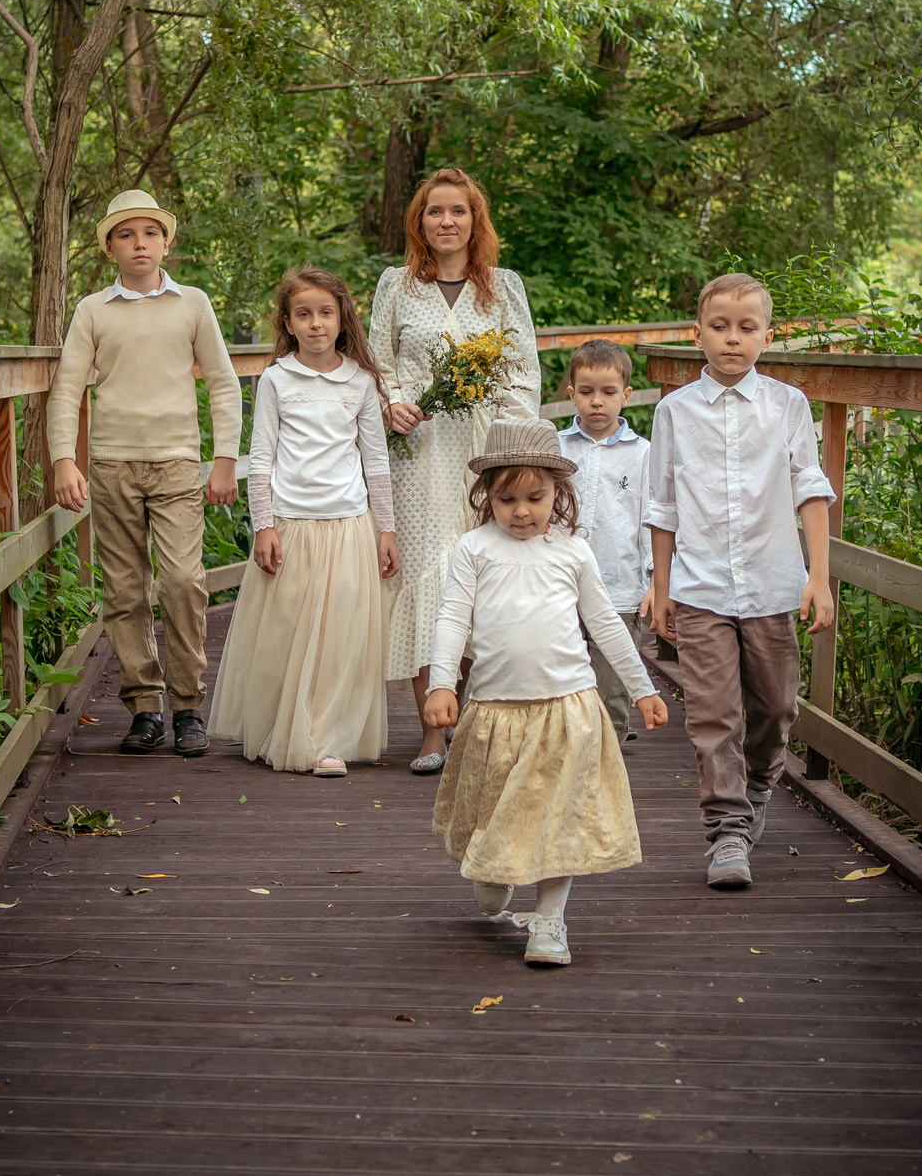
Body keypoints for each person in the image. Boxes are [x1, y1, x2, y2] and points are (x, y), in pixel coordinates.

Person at [426, 419, 670, 967]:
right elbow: (452, 619)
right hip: (494, 708)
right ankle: (492, 868)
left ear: (558, 491)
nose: (520, 511)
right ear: (485, 494)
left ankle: (550, 922)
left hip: (568, 706)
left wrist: (642, 689)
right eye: (506, 498)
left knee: (559, 818)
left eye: (535, 497)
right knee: (497, 807)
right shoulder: (473, 549)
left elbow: (606, 624)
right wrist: (443, 682)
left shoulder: (573, 552)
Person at [645, 272, 836, 891]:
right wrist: (661, 584)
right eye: (719, 327)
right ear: (697, 333)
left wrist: (818, 578)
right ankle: (728, 830)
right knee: (712, 714)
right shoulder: (674, 410)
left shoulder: (789, 406)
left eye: (746, 328)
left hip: (772, 582)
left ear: (767, 337)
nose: (732, 339)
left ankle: (756, 785)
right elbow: (663, 505)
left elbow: (810, 490)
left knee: (776, 706)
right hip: (699, 587)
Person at [47, 188, 243, 758]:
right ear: (110, 247)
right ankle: (144, 708)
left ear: (166, 242)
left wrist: (224, 457)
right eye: (127, 235)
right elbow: (67, 389)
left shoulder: (193, 304)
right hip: (111, 464)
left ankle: (187, 705)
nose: (140, 244)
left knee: (182, 580)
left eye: (150, 233)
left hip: (178, 461)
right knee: (125, 588)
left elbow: (224, 382)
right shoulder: (92, 311)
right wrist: (65, 458)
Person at [368, 167, 539, 775]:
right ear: (420, 221)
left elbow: (522, 374)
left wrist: (511, 458)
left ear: (475, 221)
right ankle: (433, 733)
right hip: (416, 455)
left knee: (484, 580)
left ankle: (484, 727)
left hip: (482, 453)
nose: (447, 222)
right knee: (424, 583)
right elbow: (377, 362)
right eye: (435, 211)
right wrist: (391, 404)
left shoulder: (503, 287)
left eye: (458, 212)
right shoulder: (396, 284)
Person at [211, 269, 401, 774]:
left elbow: (375, 460)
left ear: (341, 321)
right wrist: (264, 526)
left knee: (341, 637)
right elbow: (262, 456)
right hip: (292, 526)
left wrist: (387, 529)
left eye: (325, 313)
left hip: (348, 526)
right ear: (288, 324)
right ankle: (285, 727)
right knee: (288, 632)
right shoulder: (276, 378)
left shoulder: (360, 382)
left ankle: (328, 740)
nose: (316, 324)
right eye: (304, 314)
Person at [555, 339, 661, 748]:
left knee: (613, 679)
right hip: (561, 585)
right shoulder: (557, 449)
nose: (596, 402)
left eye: (608, 392)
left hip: (618, 585)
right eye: (586, 392)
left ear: (626, 396)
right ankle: (563, 752)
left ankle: (608, 756)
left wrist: (655, 580)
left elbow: (650, 520)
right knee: (563, 673)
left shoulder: (643, 453)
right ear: (572, 395)